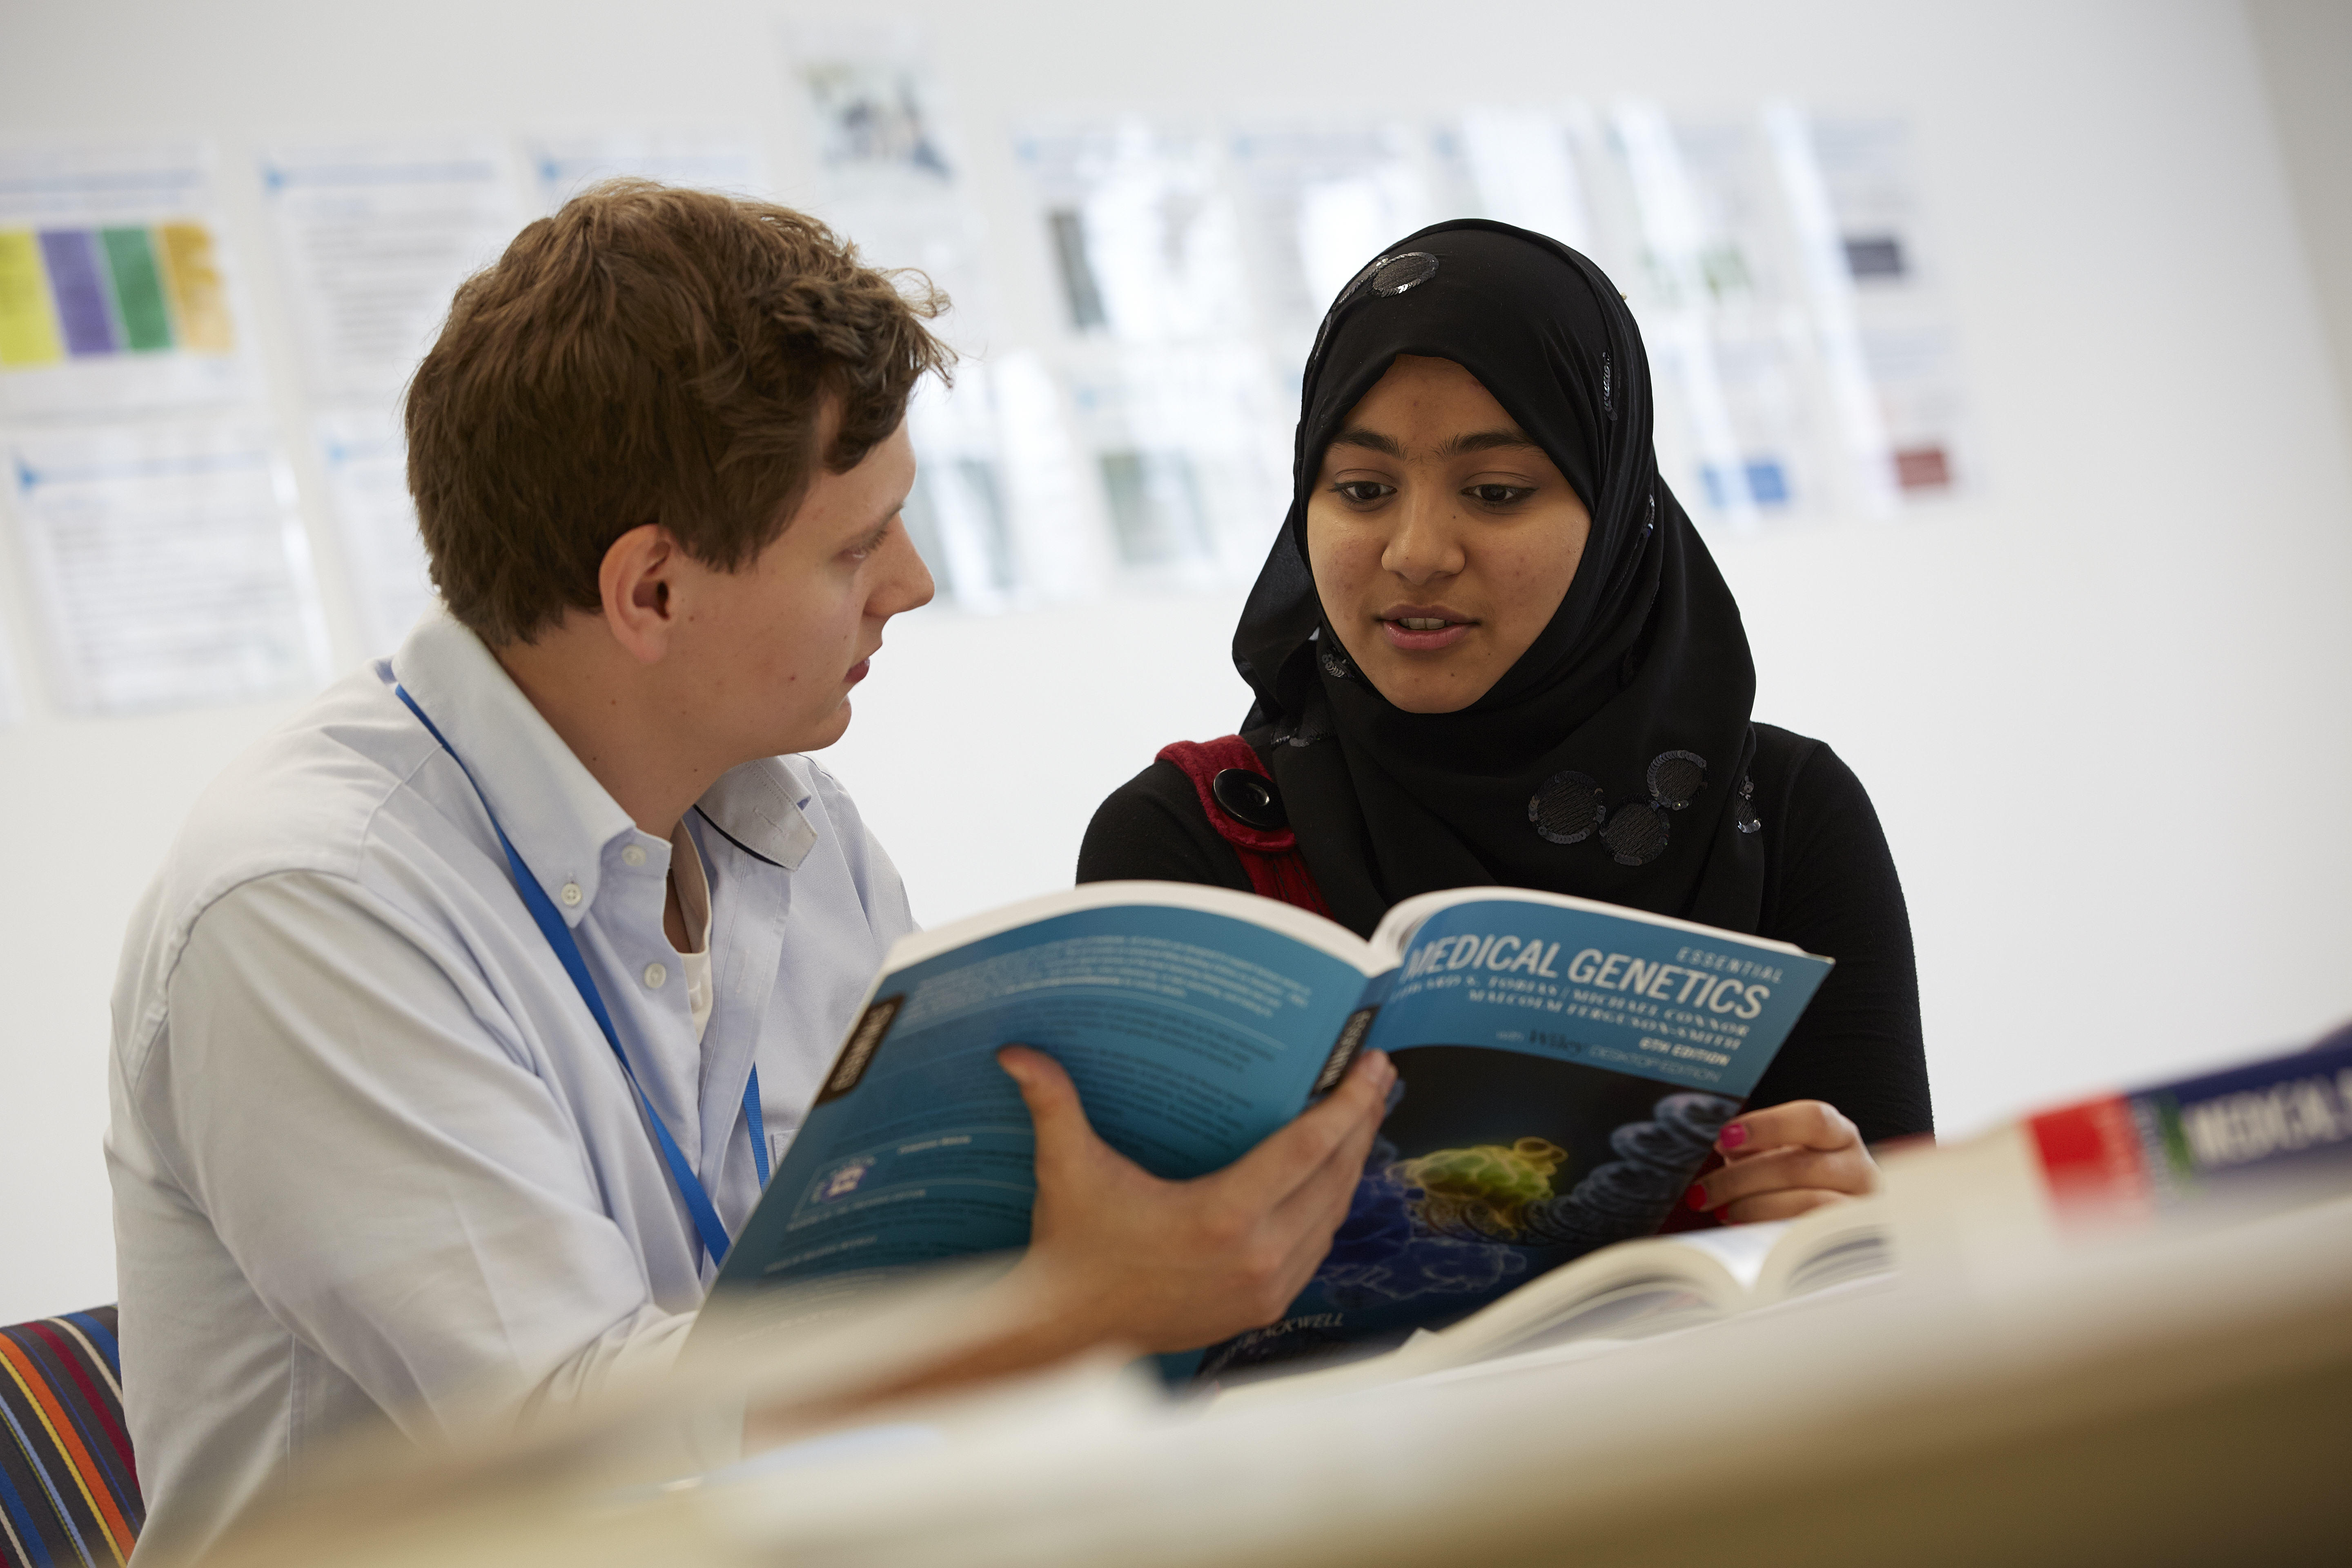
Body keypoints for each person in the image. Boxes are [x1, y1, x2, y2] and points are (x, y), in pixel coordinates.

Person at [105, 182, 1392, 1562]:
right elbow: (583, 1450)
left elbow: (908, 1272)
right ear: (651, 592)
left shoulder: (793, 824)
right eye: (856, 544)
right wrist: (1076, 1307)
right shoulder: (311, 906)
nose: (914, 580)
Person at [1078, 220, 1930, 1224]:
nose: (1417, 552)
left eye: (1494, 492)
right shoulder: (1194, 842)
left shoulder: (1783, 816)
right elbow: (1141, 1304)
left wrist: (1863, 1216)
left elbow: (1903, 1263)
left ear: (1615, 512)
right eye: (1361, 490)